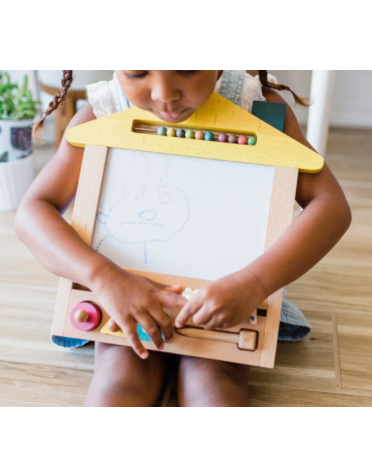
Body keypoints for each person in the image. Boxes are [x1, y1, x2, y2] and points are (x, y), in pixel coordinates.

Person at [15, 70, 351, 407]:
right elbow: (33, 211)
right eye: (136, 72)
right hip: (124, 294)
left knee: (212, 384)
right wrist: (103, 278)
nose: (163, 93)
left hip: (228, 300)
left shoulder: (259, 109)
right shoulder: (105, 111)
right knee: (120, 382)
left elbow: (331, 207)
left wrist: (253, 283)